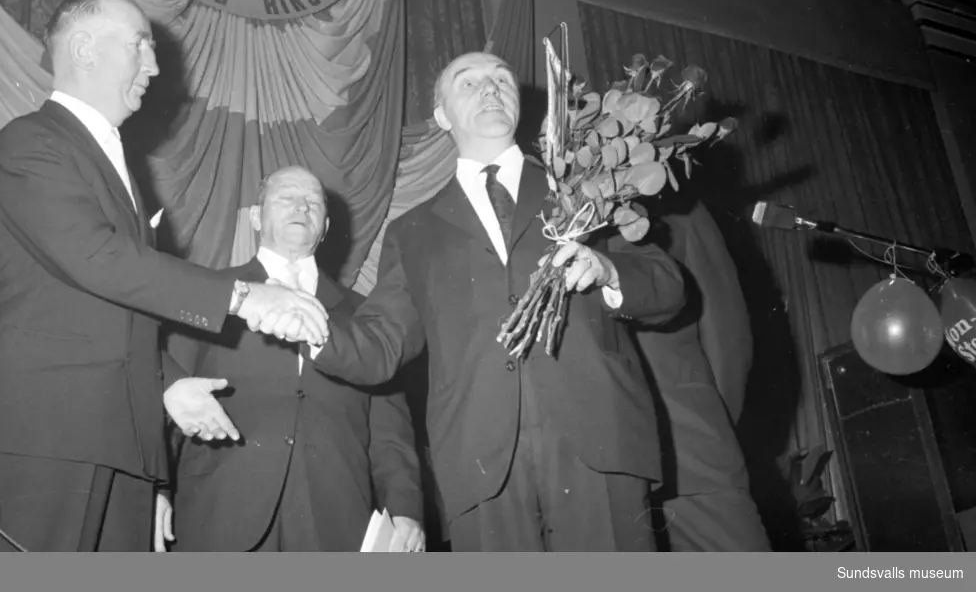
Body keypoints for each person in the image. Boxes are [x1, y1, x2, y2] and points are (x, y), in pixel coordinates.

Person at [0, 0, 329, 553]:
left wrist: (169, 387)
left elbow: (114, 309)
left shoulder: (109, 160)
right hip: (41, 432)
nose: (154, 67)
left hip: (113, 439)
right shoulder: (30, 143)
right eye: (140, 47)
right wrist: (245, 296)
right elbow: (98, 260)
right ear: (83, 49)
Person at [280, 51, 687, 551]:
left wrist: (607, 270)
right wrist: (307, 326)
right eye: (468, 83)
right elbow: (382, 341)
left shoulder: (586, 187)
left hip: (598, 442)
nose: (490, 89)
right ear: (443, 116)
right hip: (479, 463)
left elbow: (668, 283)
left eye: (501, 79)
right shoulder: (413, 231)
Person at [166, 166, 426, 552]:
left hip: (335, 525)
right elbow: (167, 394)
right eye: (286, 197)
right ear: (256, 216)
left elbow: (389, 432)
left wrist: (404, 509)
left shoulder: (367, 315)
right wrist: (154, 487)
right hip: (220, 517)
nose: (300, 207)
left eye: (313, 202)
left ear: (324, 227)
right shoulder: (208, 295)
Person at [633, 198, 770, 551]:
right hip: (589, 481)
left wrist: (711, 425)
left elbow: (729, 337)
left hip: (690, 455)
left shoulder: (678, 206)